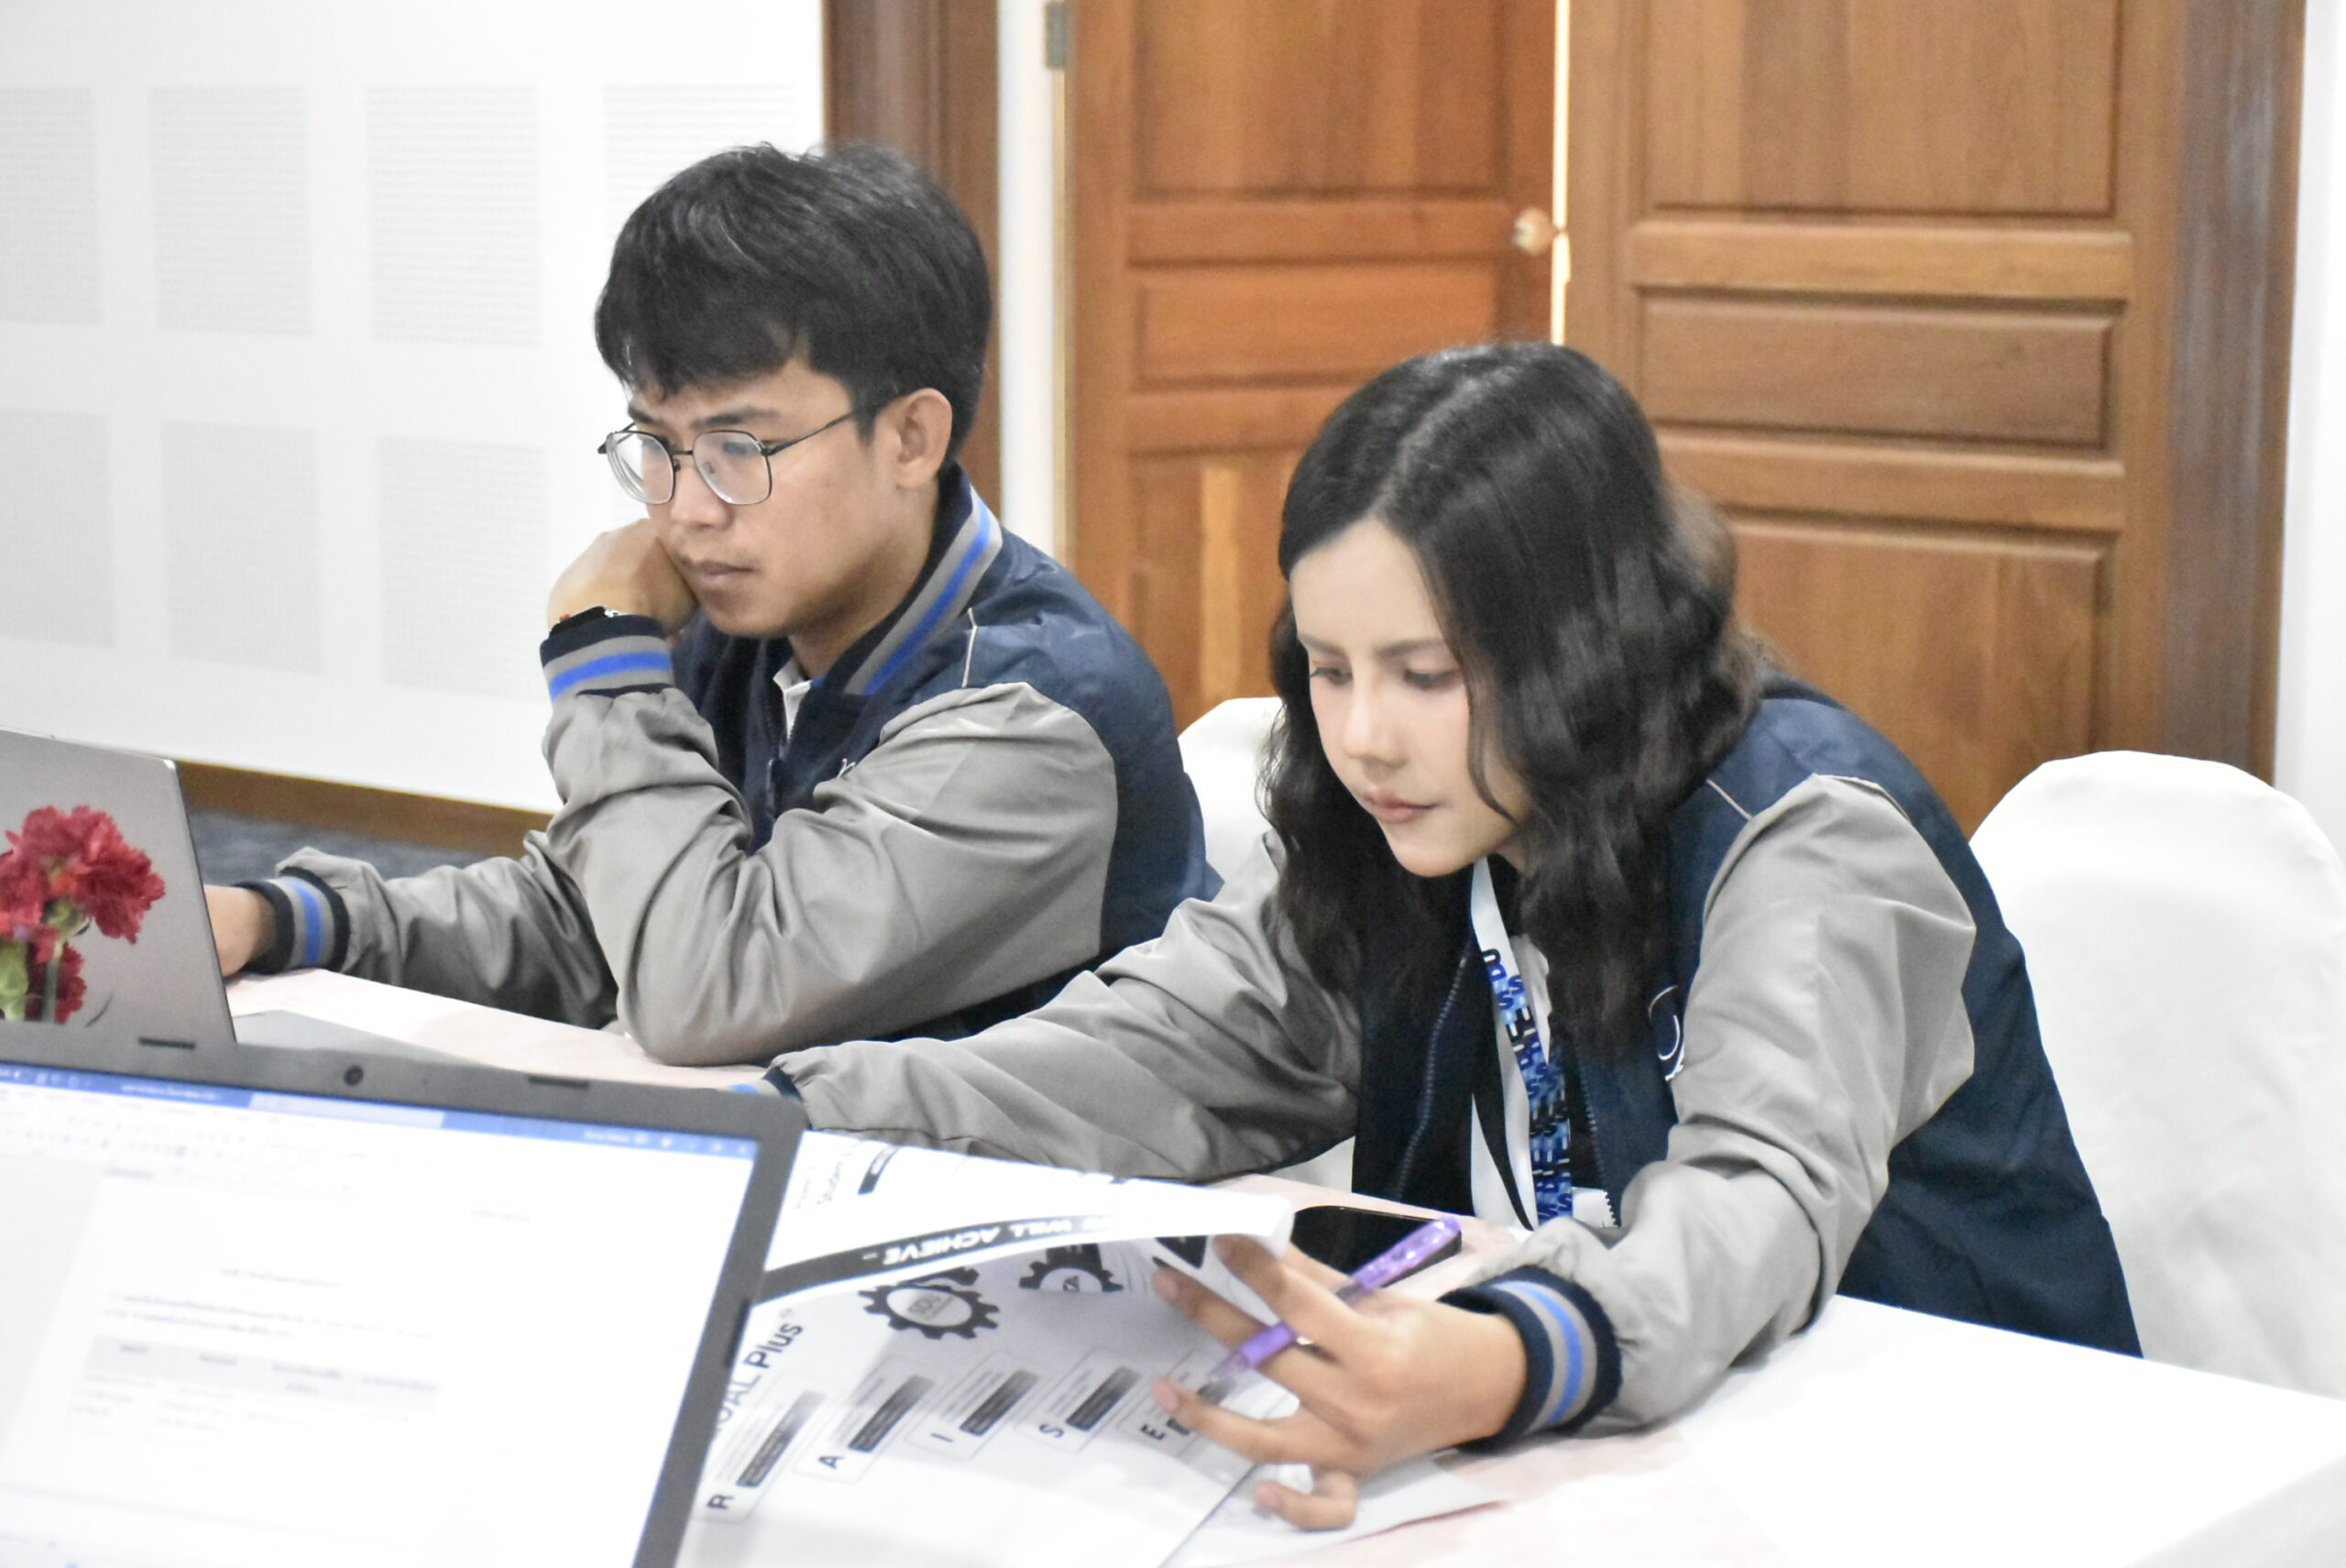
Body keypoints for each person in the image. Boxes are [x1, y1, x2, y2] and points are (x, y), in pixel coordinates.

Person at [766, 343, 2138, 1527]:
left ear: (1587, 646)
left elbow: (1754, 1199)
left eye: (1426, 674)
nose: (1365, 735)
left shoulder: (1805, 832)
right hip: (1627, 1460)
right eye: (1328, 668)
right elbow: (1159, 1046)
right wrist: (789, 1114)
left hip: (1966, 1478)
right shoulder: (1420, 822)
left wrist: (1504, 1357)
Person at [203, 142, 1215, 1064]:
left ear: (911, 438)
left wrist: (607, 662)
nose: (686, 510)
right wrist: (289, 920)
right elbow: (599, 916)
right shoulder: (757, 625)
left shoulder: (1027, 715)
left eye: (740, 448)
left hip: (1000, 1192)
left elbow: (705, 991)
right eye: (658, 445)